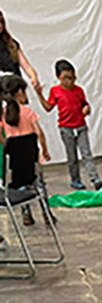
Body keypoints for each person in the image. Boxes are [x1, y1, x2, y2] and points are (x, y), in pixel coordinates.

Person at [35, 59, 102, 191]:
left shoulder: (79, 90)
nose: (70, 81)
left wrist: (87, 108)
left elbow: (85, 104)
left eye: (72, 78)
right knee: (72, 156)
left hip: (81, 127)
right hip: (66, 128)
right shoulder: (55, 91)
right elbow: (48, 107)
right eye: (66, 78)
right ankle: (75, 180)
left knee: (86, 154)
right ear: (58, 77)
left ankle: (95, 178)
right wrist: (39, 95)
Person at [0, 74, 50, 226]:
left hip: (13, 166)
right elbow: (39, 133)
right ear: (20, 92)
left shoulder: (3, 113)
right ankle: (46, 212)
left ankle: (26, 213)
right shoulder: (28, 112)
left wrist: (7, 146)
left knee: (20, 186)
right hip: (31, 162)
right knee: (38, 184)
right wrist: (45, 150)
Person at [0, 11, 40, 90]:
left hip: (16, 89)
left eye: (1, 21)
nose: (0, 25)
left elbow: (26, 66)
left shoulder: (11, 43)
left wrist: (33, 77)